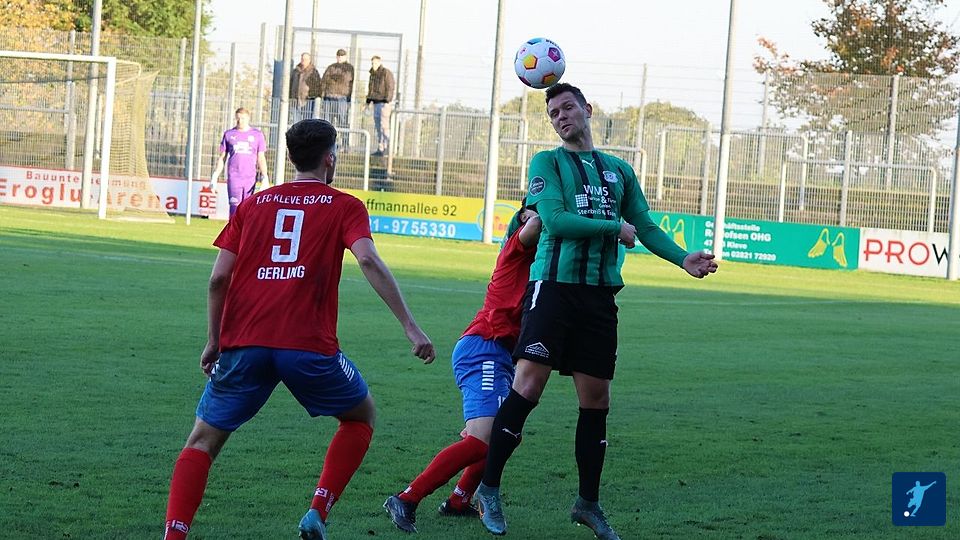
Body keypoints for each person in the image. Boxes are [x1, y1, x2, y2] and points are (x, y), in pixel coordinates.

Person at [162, 118, 436, 540]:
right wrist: (410, 327)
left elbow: (218, 279)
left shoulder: (253, 205)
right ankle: (317, 512)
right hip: (308, 346)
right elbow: (367, 259)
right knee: (360, 416)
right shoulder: (344, 205)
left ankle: (174, 534)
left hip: (244, 343)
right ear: (330, 159)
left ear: (290, 158)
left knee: (201, 441)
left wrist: (215, 340)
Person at [473, 83, 718, 540]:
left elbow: (644, 226)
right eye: (553, 113)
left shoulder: (619, 170)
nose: (561, 117)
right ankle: (488, 489)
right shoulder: (547, 163)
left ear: (588, 110)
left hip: (599, 297)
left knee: (596, 400)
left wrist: (682, 258)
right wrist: (612, 226)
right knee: (528, 385)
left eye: (568, 108)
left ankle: (587, 503)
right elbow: (556, 220)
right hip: (553, 289)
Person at [383, 203, 542, 534]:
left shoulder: (543, 264)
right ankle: (406, 498)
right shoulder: (518, 248)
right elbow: (535, 223)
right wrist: (533, 213)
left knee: (507, 436)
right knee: (484, 439)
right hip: (484, 347)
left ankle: (458, 500)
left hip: (501, 355)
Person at [208, 107, 269, 217]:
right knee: (234, 208)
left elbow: (261, 157)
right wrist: (215, 175)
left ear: (248, 118)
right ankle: (233, 228)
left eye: (243, 118)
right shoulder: (229, 134)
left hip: (250, 178)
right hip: (234, 177)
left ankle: (245, 228)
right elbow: (222, 157)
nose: (240, 121)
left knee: (247, 208)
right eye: (238, 118)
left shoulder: (257, 135)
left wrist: (265, 176)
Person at [364, 56, 395, 156]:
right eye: (372, 63)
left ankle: (386, 147)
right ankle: (380, 147)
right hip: (376, 103)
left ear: (379, 62)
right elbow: (371, 90)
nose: (374, 65)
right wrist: (368, 102)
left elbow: (390, 87)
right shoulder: (372, 75)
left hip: (383, 103)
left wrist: (387, 100)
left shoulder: (386, 73)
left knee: (384, 126)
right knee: (378, 126)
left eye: (375, 63)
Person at [320, 48, 354, 129]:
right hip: (329, 96)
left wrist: (333, 78)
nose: (340, 58)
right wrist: (323, 95)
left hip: (342, 97)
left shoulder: (349, 68)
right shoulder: (331, 67)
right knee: (327, 121)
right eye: (338, 56)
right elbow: (324, 80)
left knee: (342, 121)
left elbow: (345, 79)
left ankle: (344, 137)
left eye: (342, 56)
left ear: (345, 57)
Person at [291, 52, 322, 122]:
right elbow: (291, 83)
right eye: (302, 59)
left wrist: (313, 96)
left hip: (308, 100)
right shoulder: (296, 71)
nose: (303, 61)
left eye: (305, 59)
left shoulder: (313, 72)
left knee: (307, 120)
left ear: (309, 60)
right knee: (296, 121)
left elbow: (317, 86)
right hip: (296, 100)